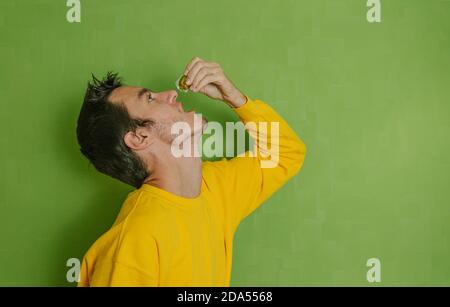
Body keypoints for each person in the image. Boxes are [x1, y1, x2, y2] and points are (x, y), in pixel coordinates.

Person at [76, 57, 307, 286]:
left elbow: (286, 154)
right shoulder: (135, 239)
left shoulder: (215, 187)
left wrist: (235, 98)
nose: (171, 93)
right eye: (150, 98)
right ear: (139, 138)